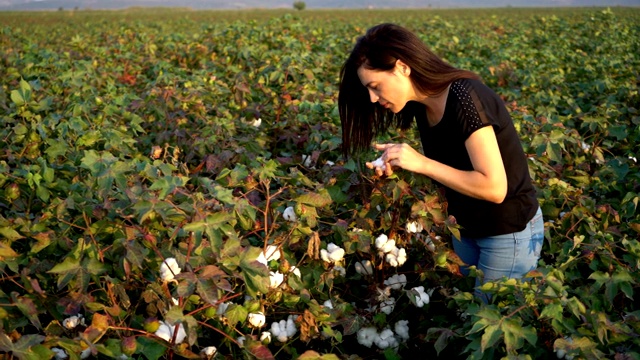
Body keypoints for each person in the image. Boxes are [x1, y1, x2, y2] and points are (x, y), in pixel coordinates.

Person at [338, 23, 543, 298]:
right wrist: (399, 166)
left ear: (402, 67)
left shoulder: (465, 98)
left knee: (490, 324)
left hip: (507, 233)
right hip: (466, 231)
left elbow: (494, 188)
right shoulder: (424, 107)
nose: (373, 98)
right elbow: (453, 170)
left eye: (375, 87)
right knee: (472, 316)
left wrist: (420, 163)